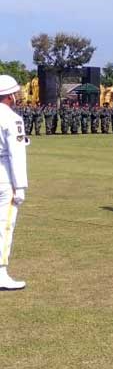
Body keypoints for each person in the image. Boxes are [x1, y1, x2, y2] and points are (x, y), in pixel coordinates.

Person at [0, 75, 28, 289]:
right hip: (4, 175)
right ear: (10, 95)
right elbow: (16, 154)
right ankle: (0, 272)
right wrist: (20, 187)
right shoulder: (12, 118)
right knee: (5, 224)